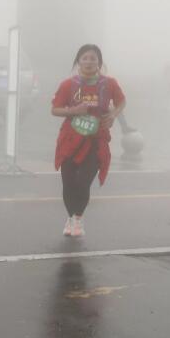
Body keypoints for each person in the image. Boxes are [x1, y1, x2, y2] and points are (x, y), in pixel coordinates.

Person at [50, 44, 127, 238]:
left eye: (93, 58)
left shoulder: (109, 84)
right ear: (78, 61)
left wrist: (113, 115)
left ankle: (78, 218)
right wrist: (73, 111)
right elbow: (55, 109)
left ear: (99, 62)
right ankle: (70, 218)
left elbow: (121, 101)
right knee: (68, 183)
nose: (89, 62)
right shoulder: (68, 85)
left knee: (83, 182)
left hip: (95, 141)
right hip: (70, 140)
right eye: (85, 58)